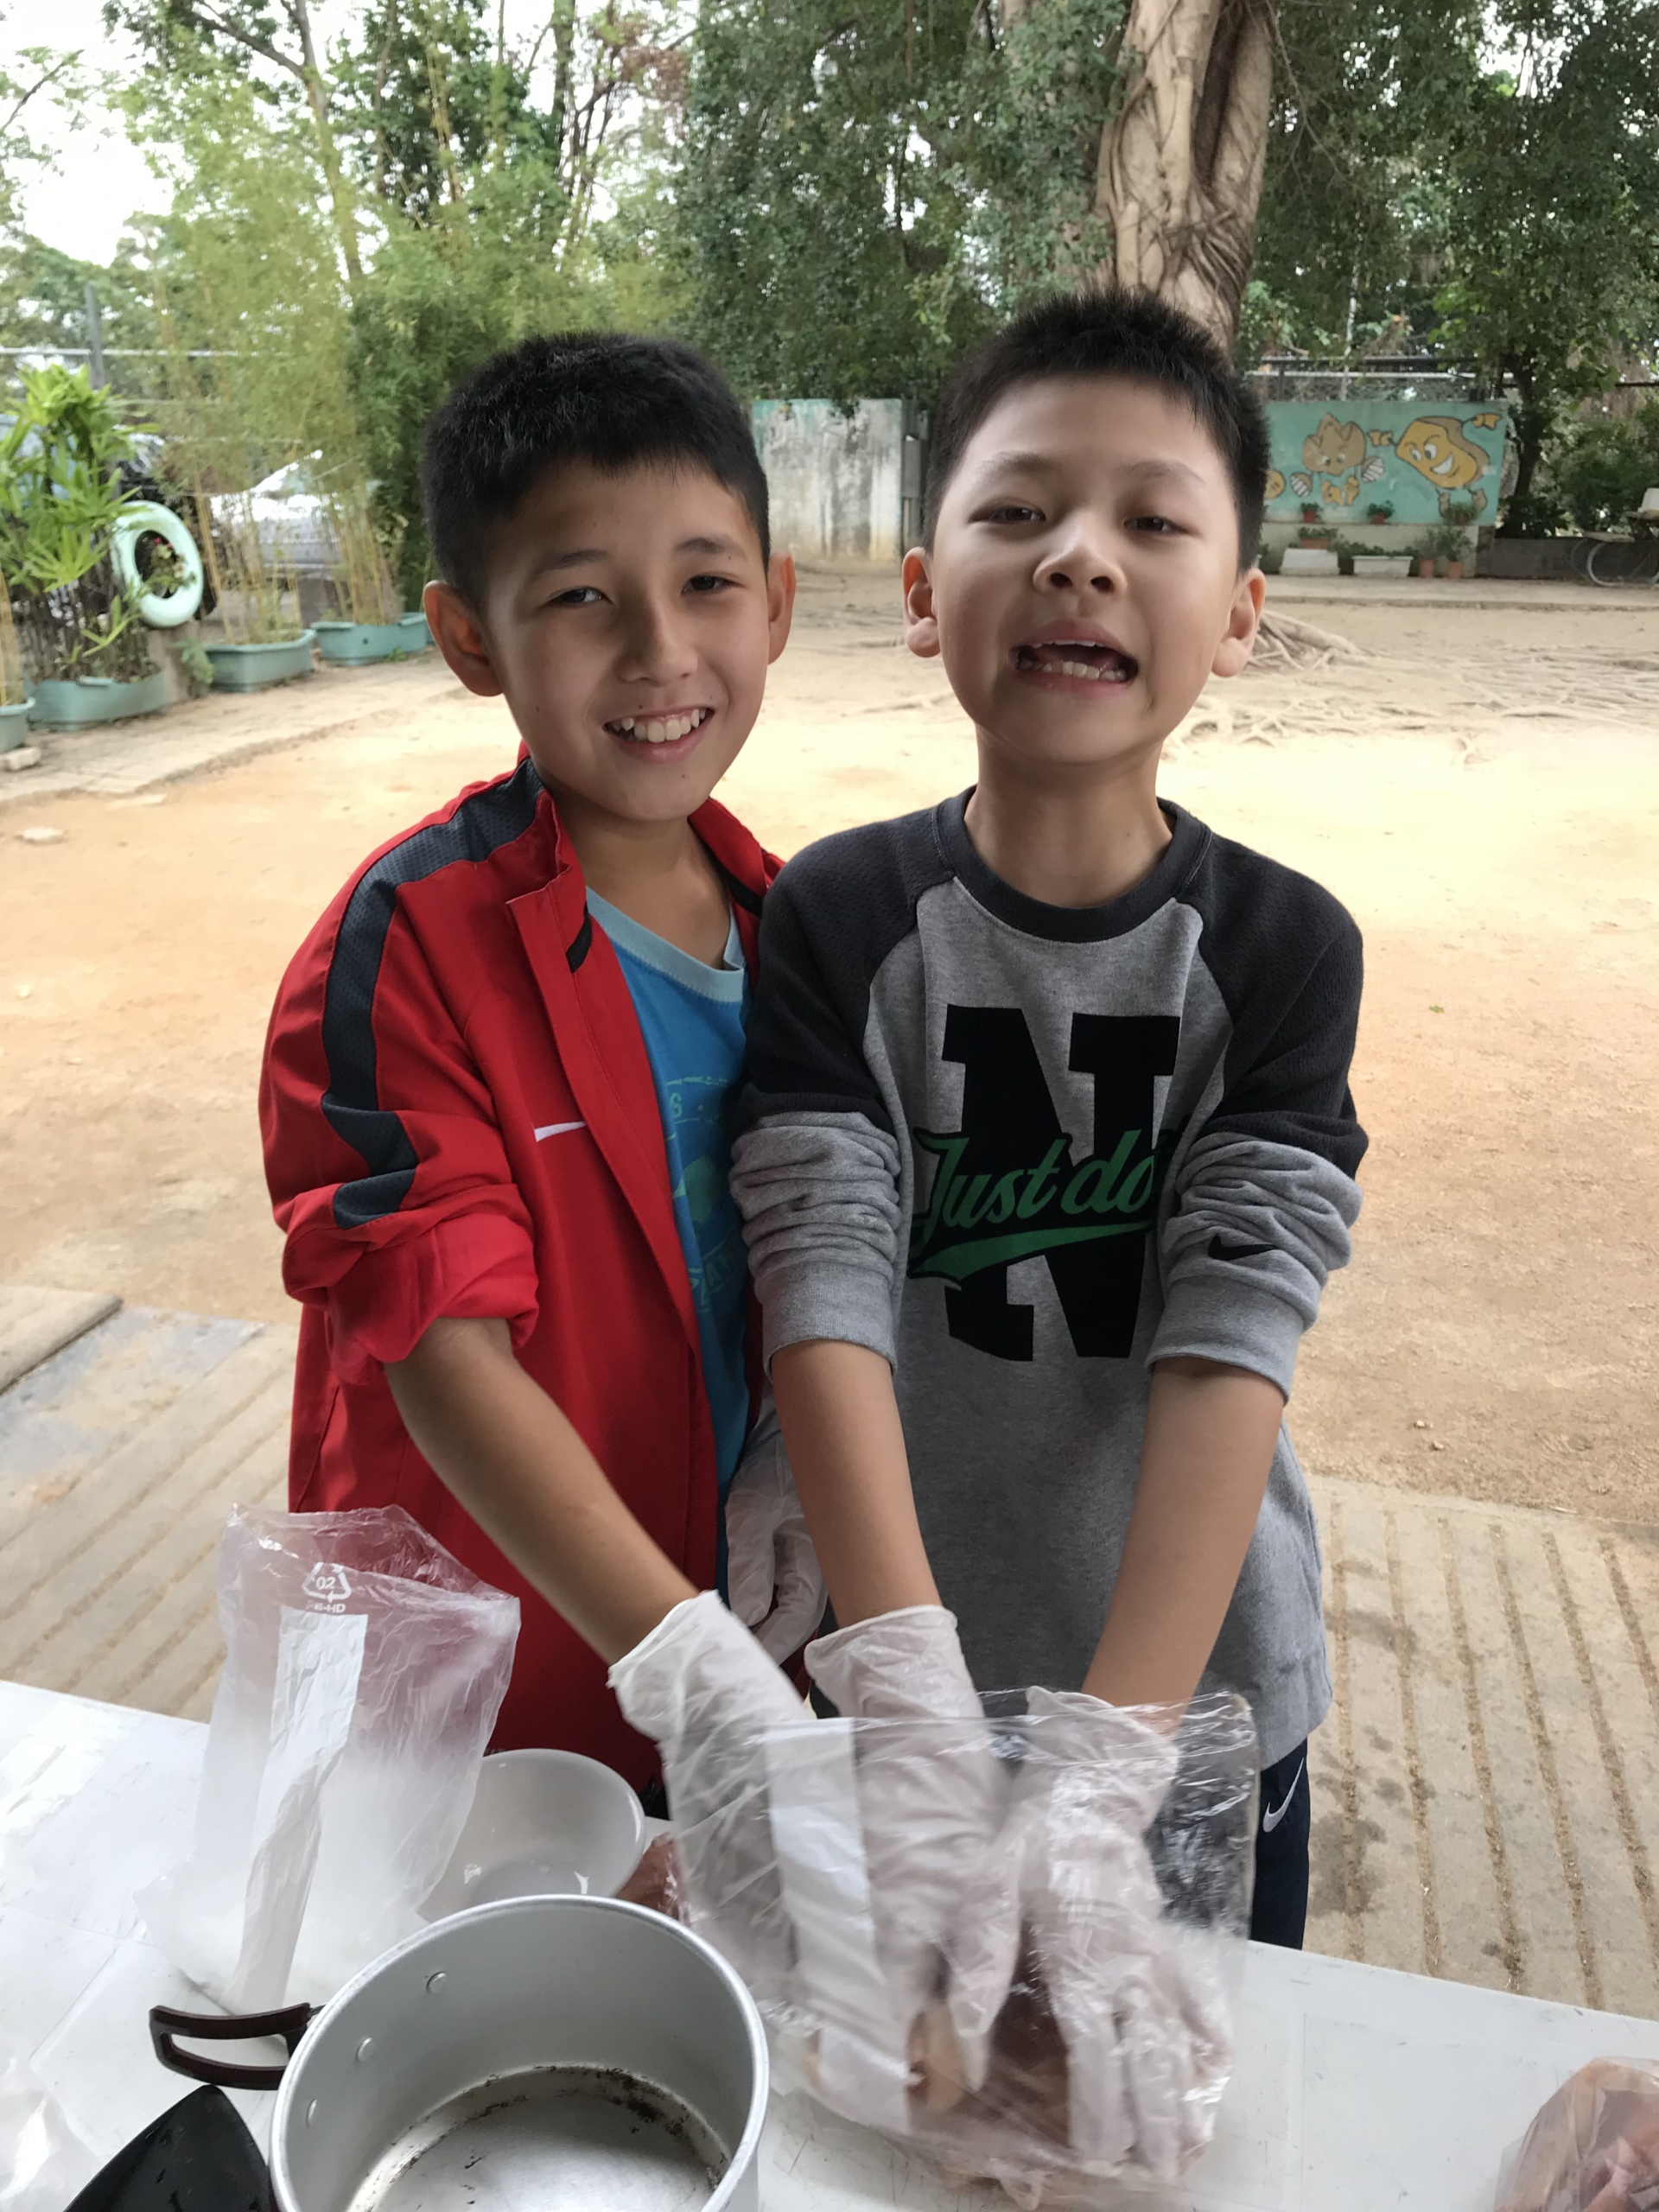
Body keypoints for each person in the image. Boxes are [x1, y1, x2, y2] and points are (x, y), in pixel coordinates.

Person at [730, 289, 1366, 2133]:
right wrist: (910, 1705)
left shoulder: (1283, 948)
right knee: (918, 2117)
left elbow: (1233, 1333)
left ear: (1238, 612)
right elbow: (822, 1269)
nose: (1079, 555)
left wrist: (1110, 1768)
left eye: (1153, 520)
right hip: (907, 1667)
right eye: (1016, 510)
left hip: (1190, 1695)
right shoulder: (841, 916)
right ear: (923, 590)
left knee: (1153, 2121)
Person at [260, 334, 823, 1792]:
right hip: (490, 1699)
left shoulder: (807, 933)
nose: (659, 651)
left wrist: (795, 1459)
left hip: (747, 1627)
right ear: (469, 639)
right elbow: (445, 1350)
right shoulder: (408, 950)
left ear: (775, 603)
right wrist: (687, 1667)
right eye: (580, 596)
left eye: (707, 583)